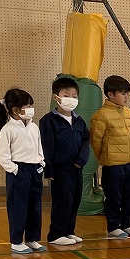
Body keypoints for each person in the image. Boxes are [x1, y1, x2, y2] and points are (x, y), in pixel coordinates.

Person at [0, 88, 46, 254]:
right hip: (19, 170)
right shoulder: (8, 129)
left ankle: (32, 238)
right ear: (15, 110)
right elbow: (2, 155)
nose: (31, 109)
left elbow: (39, 147)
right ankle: (16, 241)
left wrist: (41, 163)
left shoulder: (34, 127)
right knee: (18, 207)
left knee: (35, 206)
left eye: (32, 105)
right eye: (27, 106)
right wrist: (15, 170)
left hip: (35, 169)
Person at [89, 75, 130, 239]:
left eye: (127, 93)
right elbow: (96, 142)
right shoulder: (101, 115)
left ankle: (127, 224)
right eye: (122, 93)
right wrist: (107, 158)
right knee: (113, 196)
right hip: (113, 165)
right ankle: (113, 226)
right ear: (110, 94)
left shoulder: (128, 112)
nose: (126, 96)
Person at [39, 76, 89, 246]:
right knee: (62, 200)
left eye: (74, 96)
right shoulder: (48, 121)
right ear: (56, 97)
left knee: (75, 199)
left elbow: (85, 140)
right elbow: (46, 146)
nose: (71, 99)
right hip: (60, 169)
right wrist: (49, 168)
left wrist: (81, 160)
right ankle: (56, 234)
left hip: (76, 167)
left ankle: (69, 231)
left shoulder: (79, 120)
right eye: (67, 95)